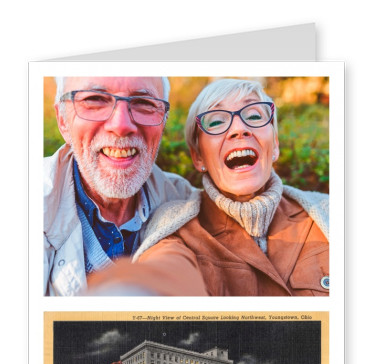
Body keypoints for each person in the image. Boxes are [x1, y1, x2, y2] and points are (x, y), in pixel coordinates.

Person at [87, 78, 329, 296]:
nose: (239, 129)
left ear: (274, 144)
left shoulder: (328, 213)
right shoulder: (177, 229)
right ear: (198, 157)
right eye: (216, 121)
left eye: (254, 116)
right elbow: (165, 271)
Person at [44, 76, 198, 296]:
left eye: (144, 103)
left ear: (163, 121)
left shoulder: (187, 204)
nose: (121, 125)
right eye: (95, 99)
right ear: (62, 120)